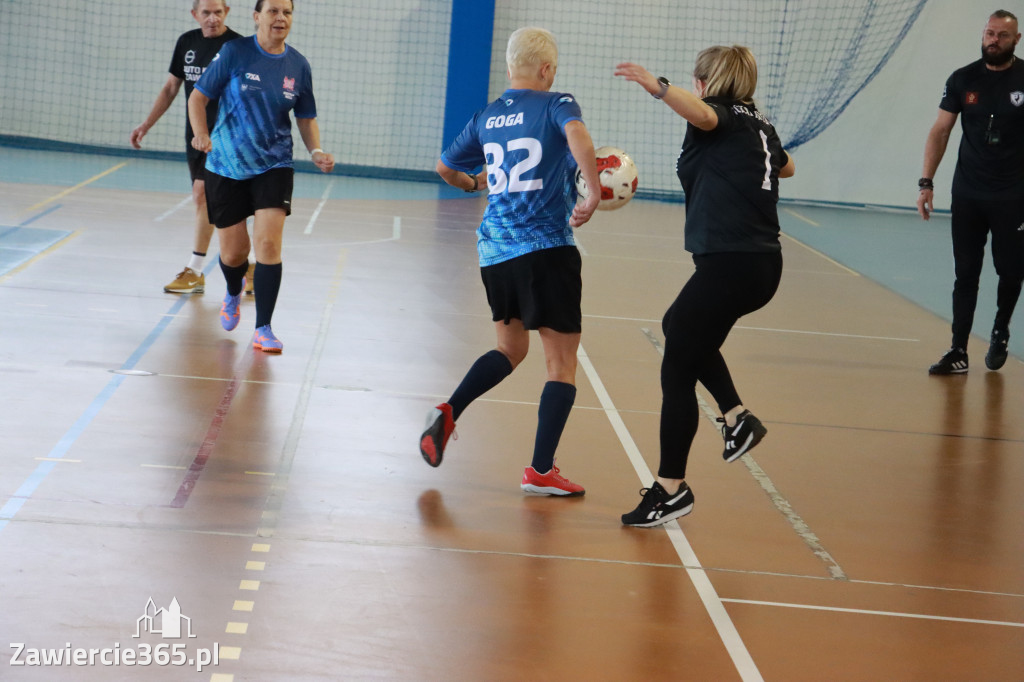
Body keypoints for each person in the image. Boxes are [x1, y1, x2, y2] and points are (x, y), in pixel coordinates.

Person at [613, 47, 795, 527]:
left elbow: (703, 116)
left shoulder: (718, 118)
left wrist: (656, 85)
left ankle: (671, 488)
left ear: (705, 83)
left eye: (696, 82)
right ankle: (736, 418)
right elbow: (786, 167)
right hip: (755, 265)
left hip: (733, 264)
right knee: (679, 328)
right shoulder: (757, 123)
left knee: (677, 372)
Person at [419, 27, 601, 496]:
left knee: (509, 349)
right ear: (546, 70)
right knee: (560, 364)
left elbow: (444, 168)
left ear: (509, 68)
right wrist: (594, 184)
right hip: (546, 249)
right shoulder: (558, 103)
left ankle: (449, 409)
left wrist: (474, 184)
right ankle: (541, 470)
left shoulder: (486, 116)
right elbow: (577, 135)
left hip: (495, 250)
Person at [188, 0, 334, 354]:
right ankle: (234, 290)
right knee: (235, 252)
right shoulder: (234, 52)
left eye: (287, 12)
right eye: (273, 11)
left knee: (268, 244)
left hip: (274, 164)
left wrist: (315, 149)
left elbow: (305, 115)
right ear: (257, 17)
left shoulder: (298, 65)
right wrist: (201, 134)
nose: (280, 17)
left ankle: (263, 327)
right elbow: (197, 97)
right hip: (226, 164)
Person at [917, 9, 1024, 375]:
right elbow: (940, 131)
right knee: (966, 274)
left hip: (1013, 196)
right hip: (969, 193)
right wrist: (926, 182)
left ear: (1016, 40)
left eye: (1002, 36)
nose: (993, 40)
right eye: (989, 33)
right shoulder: (963, 79)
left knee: (1011, 270)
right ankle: (958, 350)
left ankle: (1000, 329)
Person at [130, 0, 244, 295]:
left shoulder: (237, 47)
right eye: (206, 13)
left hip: (226, 137)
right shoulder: (187, 43)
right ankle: (247, 266)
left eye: (218, 12)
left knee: (205, 195)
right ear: (195, 15)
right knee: (212, 200)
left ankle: (196, 269)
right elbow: (171, 88)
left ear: (226, 13)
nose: (212, 18)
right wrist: (146, 124)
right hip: (195, 136)